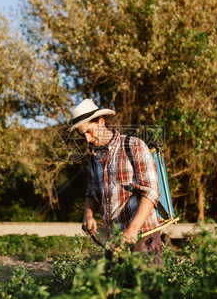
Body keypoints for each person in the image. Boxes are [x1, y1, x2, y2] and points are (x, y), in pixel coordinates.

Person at [68, 99, 164, 266]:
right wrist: (88, 215)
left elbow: (151, 191)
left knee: (147, 290)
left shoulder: (133, 146)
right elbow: (92, 194)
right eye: (82, 134)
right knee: (114, 290)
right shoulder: (94, 159)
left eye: (89, 131)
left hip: (143, 235)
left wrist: (132, 230)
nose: (87, 139)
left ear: (101, 122)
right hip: (114, 241)